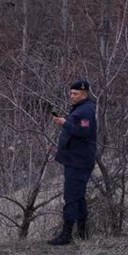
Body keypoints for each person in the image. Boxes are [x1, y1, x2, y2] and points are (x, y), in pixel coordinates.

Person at [49, 79, 98, 246]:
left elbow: (84, 132)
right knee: (78, 197)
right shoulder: (80, 109)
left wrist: (65, 123)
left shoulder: (85, 111)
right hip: (75, 159)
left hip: (79, 161)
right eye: (71, 93)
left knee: (71, 197)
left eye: (75, 93)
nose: (71, 96)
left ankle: (66, 234)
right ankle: (83, 233)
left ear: (84, 94)